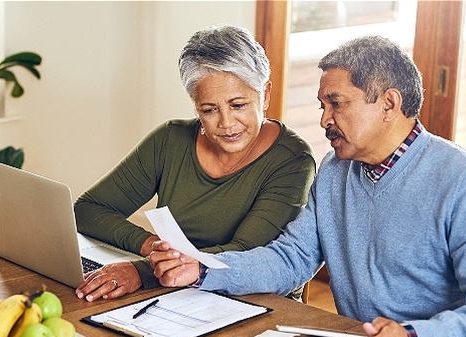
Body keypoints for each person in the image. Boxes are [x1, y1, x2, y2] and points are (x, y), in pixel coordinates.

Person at [150, 35, 466, 337]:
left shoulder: (461, 180)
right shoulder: (334, 171)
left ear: (389, 103)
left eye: (336, 104)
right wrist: (202, 270)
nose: (325, 119)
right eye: (322, 106)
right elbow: (291, 258)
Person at [73, 24, 316, 302]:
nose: (226, 124)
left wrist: (143, 272)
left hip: (254, 301)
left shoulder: (292, 160)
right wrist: (153, 248)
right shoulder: (170, 140)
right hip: (175, 295)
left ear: (265, 95)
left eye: (238, 105)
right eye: (209, 110)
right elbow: (88, 210)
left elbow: (246, 253)